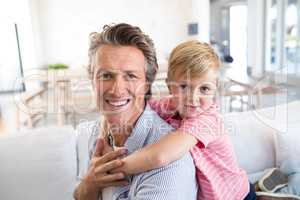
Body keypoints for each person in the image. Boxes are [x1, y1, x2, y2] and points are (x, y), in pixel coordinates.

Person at [107, 40, 256, 200]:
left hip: (237, 195)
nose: (193, 98)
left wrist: (112, 169)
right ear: (170, 86)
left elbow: (160, 156)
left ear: (215, 88)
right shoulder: (169, 106)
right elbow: (136, 109)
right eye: (184, 86)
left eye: (204, 89)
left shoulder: (208, 120)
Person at [73, 23, 198, 200]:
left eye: (130, 76)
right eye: (106, 75)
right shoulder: (93, 133)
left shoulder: (171, 165)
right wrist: (89, 183)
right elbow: (79, 194)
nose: (117, 90)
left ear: (147, 84)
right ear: (92, 80)